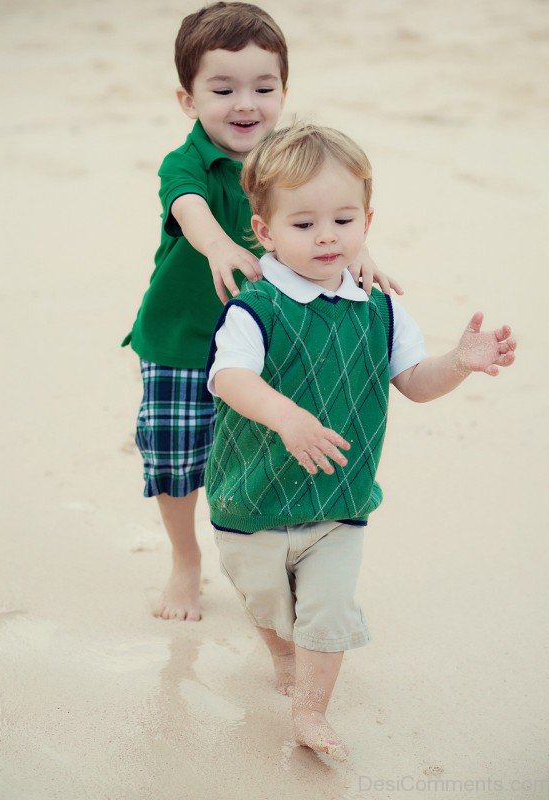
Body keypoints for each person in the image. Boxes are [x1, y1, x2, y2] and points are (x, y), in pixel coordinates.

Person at [204, 123, 517, 760]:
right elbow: (230, 378)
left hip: (340, 500)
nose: (326, 236)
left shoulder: (382, 307)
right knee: (266, 602)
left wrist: (458, 362)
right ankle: (281, 651)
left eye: (343, 219)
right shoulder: (255, 309)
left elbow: (415, 383)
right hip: (251, 499)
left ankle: (311, 712)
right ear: (264, 232)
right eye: (304, 224)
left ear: (367, 221)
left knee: (329, 608)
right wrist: (287, 416)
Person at [122, 3, 400, 622]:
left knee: (263, 450)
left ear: (284, 90)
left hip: (267, 346)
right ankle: (185, 559)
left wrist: (364, 254)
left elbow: (330, 208)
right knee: (175, 456)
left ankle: (282, 560)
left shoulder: (288, 159)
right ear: (188, 98)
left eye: (263, 87)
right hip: (182, 339)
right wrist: (220, 245)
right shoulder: (186, 162)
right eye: (223, 89)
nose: (245, 103)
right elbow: (190, 207)